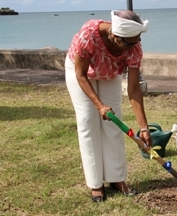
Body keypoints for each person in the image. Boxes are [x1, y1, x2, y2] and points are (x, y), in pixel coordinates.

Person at [65, 10, 151, 202]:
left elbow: (134, 89)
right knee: (89, 121)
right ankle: (95, 184)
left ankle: (116, 178)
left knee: (113, 123)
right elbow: (80, 74)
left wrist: (144, 127)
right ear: (115, 36)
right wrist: (99, 105)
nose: (135, 47)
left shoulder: (133, 46)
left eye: (138, 41)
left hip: (109, 72)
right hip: (81, 72)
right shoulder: (89, 34)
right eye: (131, 43)